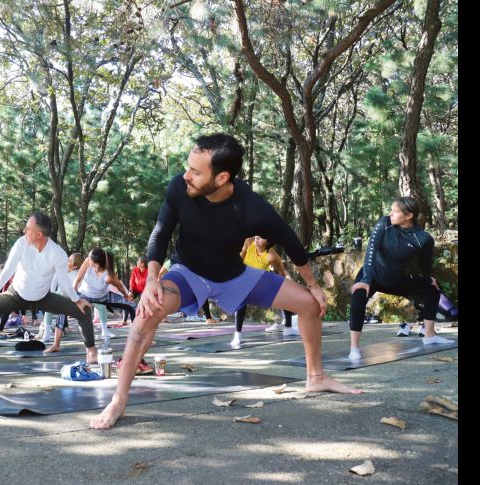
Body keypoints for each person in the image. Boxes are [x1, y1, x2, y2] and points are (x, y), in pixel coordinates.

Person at [89, 133, 361, 429]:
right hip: (188, 274)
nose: (186, 176)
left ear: (221, 178)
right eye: (188, 167)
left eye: (195, 171)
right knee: (146, 312)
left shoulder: (251, 207)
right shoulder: (179, 189)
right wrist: (153, 278)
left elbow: (291, 242)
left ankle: (316, 377)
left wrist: (315, 287)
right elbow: (161, 232)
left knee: (309, 305)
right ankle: (119, 401)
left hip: (235, 276)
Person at [0, 212, 96, 374]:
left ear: (39, 234)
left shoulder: (57, 253)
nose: (24, 232)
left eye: (28, 229)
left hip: (43, 298)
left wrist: (77, 300)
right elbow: (7, 271)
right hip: (15, 295)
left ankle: (91, 351)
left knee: (84, 311)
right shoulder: (22, 244)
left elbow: (64, 282)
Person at [347, 197, 451, 360]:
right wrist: (366, 279)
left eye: (395, 211)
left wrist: (427, 278)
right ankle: (354, 348)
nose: (390, 214)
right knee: (358, 297)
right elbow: (371, 250)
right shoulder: (385, 223)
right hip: (372, 275)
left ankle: (429, 336)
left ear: (408, 215)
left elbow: (425, 263)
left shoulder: (423, 239)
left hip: (396, 279)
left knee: (432, 289)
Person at [231, 236, 297, 346]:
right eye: (257, 235)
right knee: (241, 297)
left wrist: (286, 286)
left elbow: (282, 273)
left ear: (268, 242)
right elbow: (238, 261)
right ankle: (237, 335)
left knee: (285, 290)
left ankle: (288, 328)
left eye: (261, 238)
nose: (256, 238)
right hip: (245, 280)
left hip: (262, 282)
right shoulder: (249, 242)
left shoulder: (272, 256)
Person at [73, 248, 134, 347]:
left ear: (96, 264)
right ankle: (56, 343)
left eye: (90, 259)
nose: (88, 259)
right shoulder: (87, 262)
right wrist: (73, 297)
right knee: (64, 306)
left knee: (132, 306)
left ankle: (139, 338)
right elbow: (77, 280)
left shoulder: (108, 276)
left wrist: (127, 297)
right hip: (84, 295)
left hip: (103, 297)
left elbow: (120, 287)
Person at [42, 253, 84, 352]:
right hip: (59, 295)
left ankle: (56, 344)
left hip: (71, 298)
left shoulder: (77, 274)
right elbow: (54, 282)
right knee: (48, 308)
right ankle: (46, 334)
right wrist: (52, 295)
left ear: (75, 266)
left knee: (62, 310)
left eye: (69, 261)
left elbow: (74, 290)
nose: (67, 261)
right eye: (68, 259)